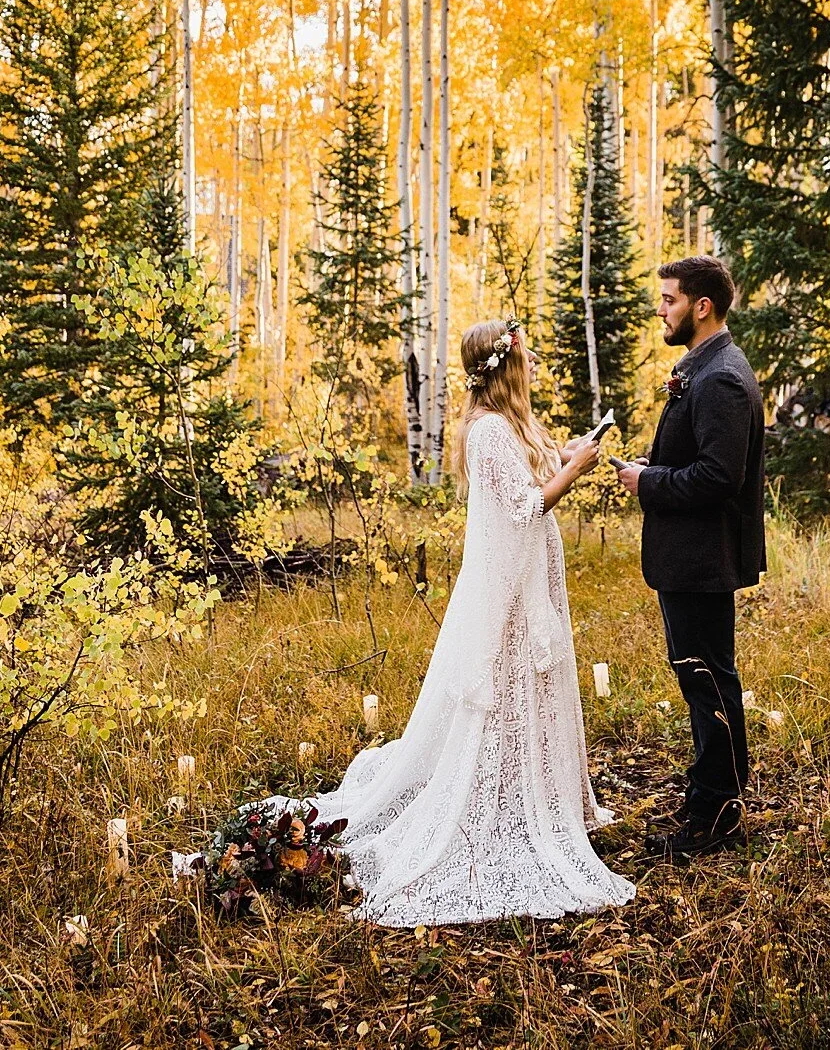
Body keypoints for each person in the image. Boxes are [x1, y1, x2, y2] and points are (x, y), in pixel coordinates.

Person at [311, 319, 636, 926]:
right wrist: (574, 472)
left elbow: (531, 478)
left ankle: (539, 791)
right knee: (504, 687)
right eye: (525, 356)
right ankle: (502, 798)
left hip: (528, 578)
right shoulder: (486, 431)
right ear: (504, 365)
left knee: (529, 684)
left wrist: (566, 454)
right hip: (506, 587)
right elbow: (524, 505)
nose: (533, 364)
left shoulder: (512, 424)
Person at [615, 255, 767, 860]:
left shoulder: (721, 377)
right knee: (701, 676)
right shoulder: (702, 367)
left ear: (701, 307)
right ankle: (712, 795)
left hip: (702, 559)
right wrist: (653, 468)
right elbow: (701, 461)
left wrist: (647, 482)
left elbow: (720, 477)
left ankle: (715, 814)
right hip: (689, 558)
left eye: (669, 299)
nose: (661, 310)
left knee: (708, 680)